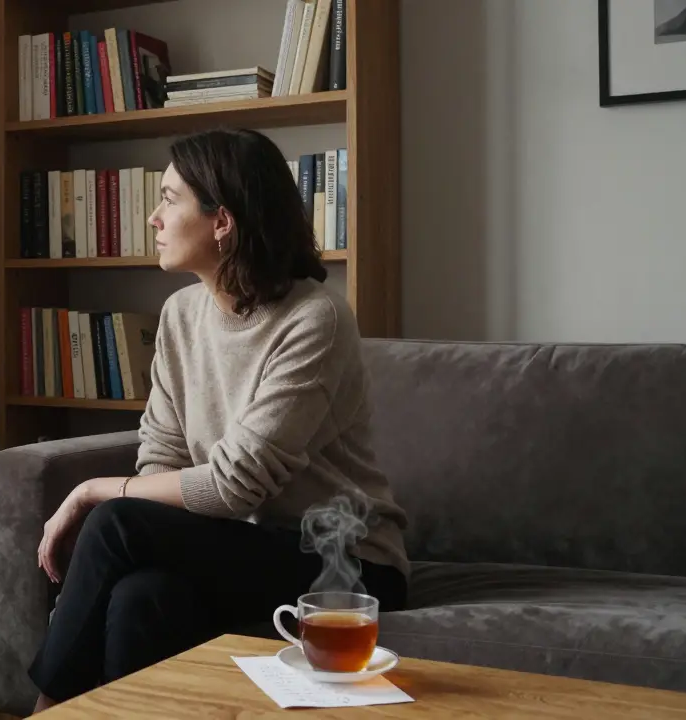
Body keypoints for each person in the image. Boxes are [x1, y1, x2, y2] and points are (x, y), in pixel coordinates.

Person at [27, 128, 409, 712]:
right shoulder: (181, 314)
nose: (154, 217)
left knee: (111, 521)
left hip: (346, 564)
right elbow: (161, 457)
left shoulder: (315, 319)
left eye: (169, 199)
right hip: (239, 545)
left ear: (221, 222)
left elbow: (235, 484)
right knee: (139, 596)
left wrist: (90, 490)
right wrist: (124, 497)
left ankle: (45, 710)